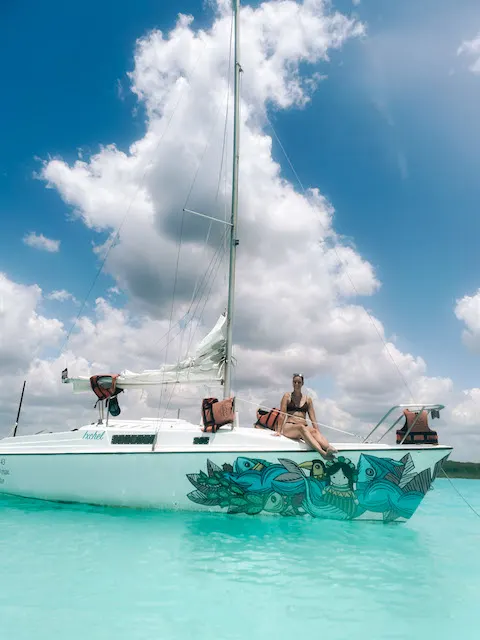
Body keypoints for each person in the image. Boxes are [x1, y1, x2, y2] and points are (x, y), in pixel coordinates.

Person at [275, 374, 337, 459]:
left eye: (299, 382)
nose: (296, 384)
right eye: (295, 382)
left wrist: (317, 431)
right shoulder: (287, 396)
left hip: (304, 427)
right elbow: (282, 414)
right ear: (292, 383)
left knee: (314, 431)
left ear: (302, 383)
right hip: (289, 427)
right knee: (301, 427)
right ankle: (322, 453)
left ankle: (328, 448)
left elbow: (313, 418)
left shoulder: (308, 399)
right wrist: (278, 431)